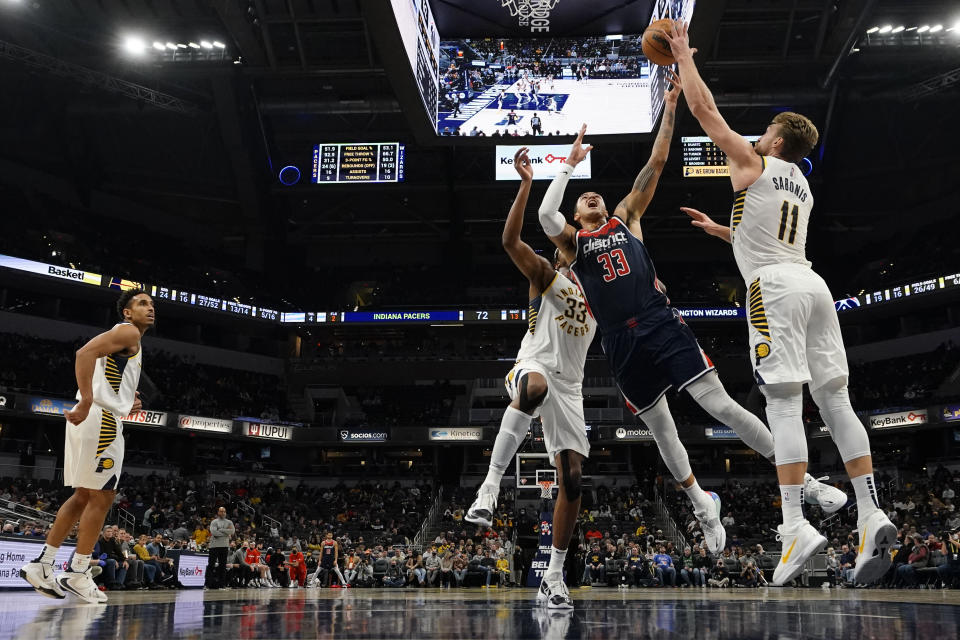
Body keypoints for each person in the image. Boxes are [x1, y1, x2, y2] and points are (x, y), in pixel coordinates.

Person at [536, 88, 846, 557]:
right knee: (662, 430)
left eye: (593, 194)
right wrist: (568, 164)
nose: (591, 196)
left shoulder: (626, 218)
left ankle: (807, 483)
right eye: (583, 199)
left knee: (721, 407)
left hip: (661, 322)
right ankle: (702, 504)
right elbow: (544, 214)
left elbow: (656, 164)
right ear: (577, 217)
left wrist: (672, 109)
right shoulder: (573, 246)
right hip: (620, 342)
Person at [665, 20, 897, 587]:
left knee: (785, 405)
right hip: (812, 285)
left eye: (765, 131)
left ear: (775, 141)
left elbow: (705, 110)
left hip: (774, 289)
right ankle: (870, 514)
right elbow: (770, 237)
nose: (758, 135)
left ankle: (795, 524)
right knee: (836, 401)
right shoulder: (801, 183)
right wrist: (722, 230)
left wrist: (681, 58)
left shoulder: (755, 161)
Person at [464, 148, 594, 611]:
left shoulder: (602, 287)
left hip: (572, 385)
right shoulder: (547, 274)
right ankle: (490, 486)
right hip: (533, 364)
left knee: (574, 479)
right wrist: (525, 184)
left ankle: (554, 576)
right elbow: (510, 241)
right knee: (533, 388)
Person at [21, 289, 153, 603]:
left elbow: (103, 370)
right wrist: (91, 401)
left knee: (83, 496)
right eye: (142, 303)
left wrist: (124, 398)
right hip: (101, 421)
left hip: (95, 418)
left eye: (152, 304)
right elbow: (83, 354)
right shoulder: (129, 331)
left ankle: (44, 564)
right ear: (127, 312)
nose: (150, 309)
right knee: (103, 497)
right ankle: (78, 571)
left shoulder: (126, 338)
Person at [207, 506, 234, 588]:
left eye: (224, 511)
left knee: (222, 566)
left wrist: (221, 530)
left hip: (224, 546)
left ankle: (222, 585)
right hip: (214, 546)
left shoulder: (229, 522)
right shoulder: (214, 522)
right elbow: (214, 533)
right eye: (221, 511)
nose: (222, 513)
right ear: (218, 512)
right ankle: (207, 584)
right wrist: (226, 533)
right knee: (211, 565)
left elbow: (232, 531)